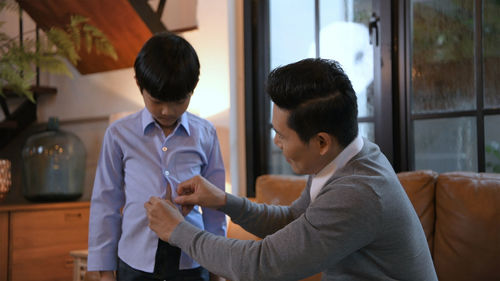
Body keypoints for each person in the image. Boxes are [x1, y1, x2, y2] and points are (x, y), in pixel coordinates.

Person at [144, 58, 438, 280]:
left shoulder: (357, 192)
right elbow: (295, 220)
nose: (276, 142)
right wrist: (223, 201)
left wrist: (177, 231)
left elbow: (262, 264)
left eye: (282, 135)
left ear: (321, 141)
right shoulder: (350, 155)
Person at [87, 32, 226, 281]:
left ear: (192, 90)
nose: (167, 111)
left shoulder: (205, 134)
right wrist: (105, 270)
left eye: (179, 101)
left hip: (192, 261)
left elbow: (216, 207)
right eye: (157, 101)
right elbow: (105, 203)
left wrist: (219, 267)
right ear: (140, 85)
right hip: (135, 259)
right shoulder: (119, 134)